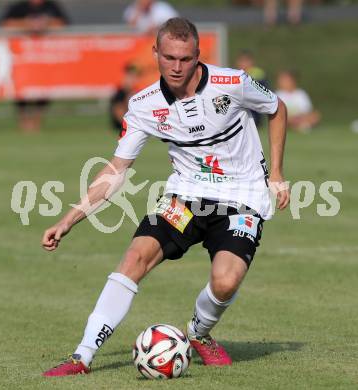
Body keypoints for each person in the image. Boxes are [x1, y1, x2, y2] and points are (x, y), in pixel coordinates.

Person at [41, 17, 290, 377]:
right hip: (185, 196)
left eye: (185, 59)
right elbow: (115, 171)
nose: (176, 67)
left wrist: (278, 174)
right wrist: (68, 220)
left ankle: (199, 334)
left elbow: (276, 108)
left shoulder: (231, 83)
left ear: (197, 55)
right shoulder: (144, 105)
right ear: (155, 53)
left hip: (243, 196)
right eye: (169, 57)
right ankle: (81, 356)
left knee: (225, 281)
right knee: (135, 257)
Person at [0, 0, 69, 132]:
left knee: (44, 87)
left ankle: (37, 120)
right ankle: (23, 120)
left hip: (45, 57)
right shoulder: (19, 7)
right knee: (20, 88)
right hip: (22, 57)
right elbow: (5, 24)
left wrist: (46, 23)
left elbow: (64, 24)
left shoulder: (51, 6)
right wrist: (26, 24)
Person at [235, 49, 270, 127]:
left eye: (246, 61)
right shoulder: (235, 73)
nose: (243, 64)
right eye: (241, 61)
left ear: (251, 62)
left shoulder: (258, 73)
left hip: (254, 107)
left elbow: (263, 91)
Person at [109, 64, 140, 133]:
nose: (134, 80)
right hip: (123, 126)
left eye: (135, 77)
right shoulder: (120, 93)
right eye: (131, 77)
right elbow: (118, 112)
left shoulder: (135, 91)